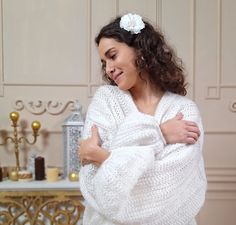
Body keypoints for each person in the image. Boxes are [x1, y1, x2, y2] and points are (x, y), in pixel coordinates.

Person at [79, 13, 207, 225]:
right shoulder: (105, 101)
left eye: (112, 56)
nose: (108, 68)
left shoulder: (184, 110)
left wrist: (102, 156)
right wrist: (162, 134)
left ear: (140, 49)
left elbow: (168, 187)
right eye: (104, 63)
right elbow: (93, 181)